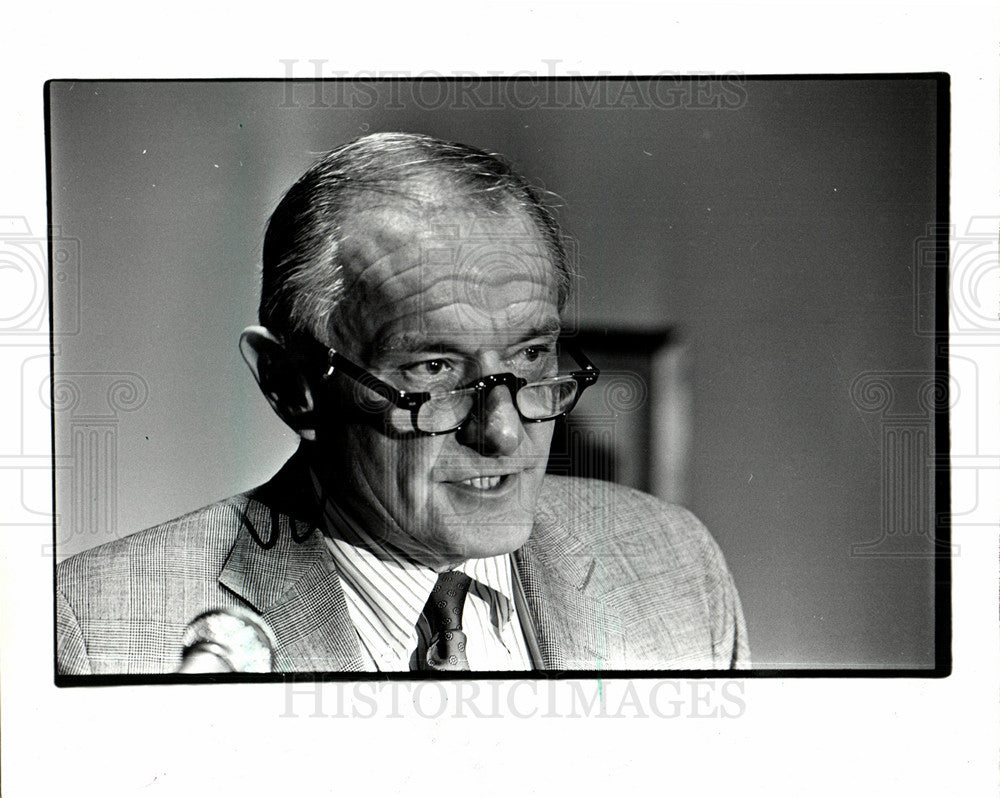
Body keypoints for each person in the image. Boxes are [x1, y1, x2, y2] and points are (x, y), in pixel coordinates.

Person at [56, 132, 749, 675]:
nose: (504, 432)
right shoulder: (99, 628)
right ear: (289, 384)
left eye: (532, 356)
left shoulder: (674, 565)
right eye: (435, 368)